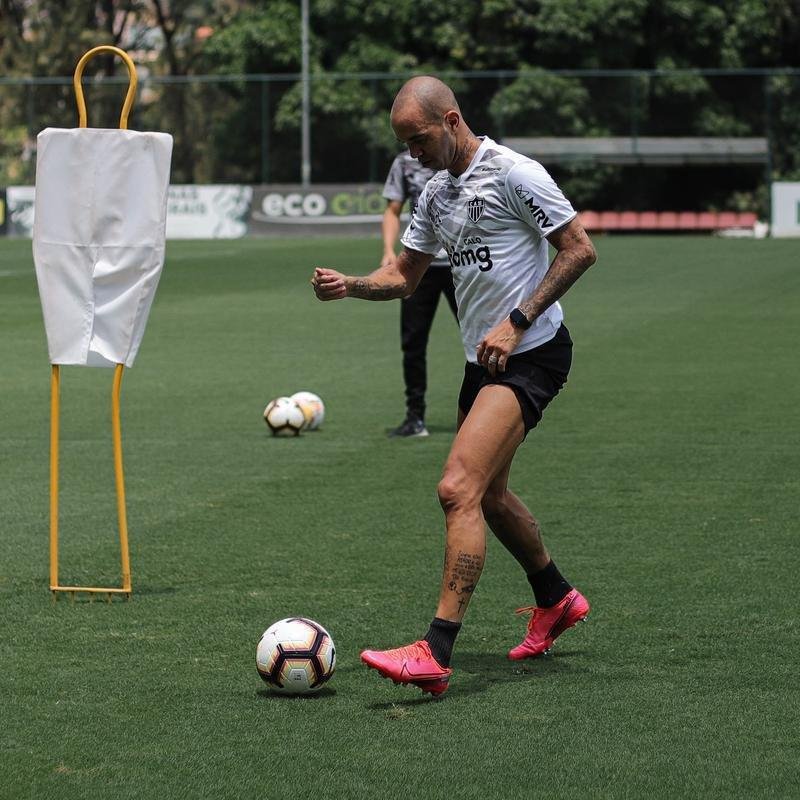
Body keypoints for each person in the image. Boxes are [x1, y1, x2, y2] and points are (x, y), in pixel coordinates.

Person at [312, 76, 597, 696]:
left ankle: (434, 651)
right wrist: (352, 285)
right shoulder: (436, 194)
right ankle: (556, 597)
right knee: (490, 497)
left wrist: (518, 321)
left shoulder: (514, 172)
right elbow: (406, 277)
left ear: (452, 120)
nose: (412, 154)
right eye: (404, 145)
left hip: (533, 353)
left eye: (418, 140)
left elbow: (579, 250)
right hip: (484, 363)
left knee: (456, 488)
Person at [381, 151, 458, 437]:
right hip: (418, 264)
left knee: (479, 339)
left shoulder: (462, 157)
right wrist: (389, 251)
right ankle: (415, 417)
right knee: (412, 343)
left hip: (460, 264)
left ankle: (487, 413)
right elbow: (392, 209)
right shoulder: (403, 162)